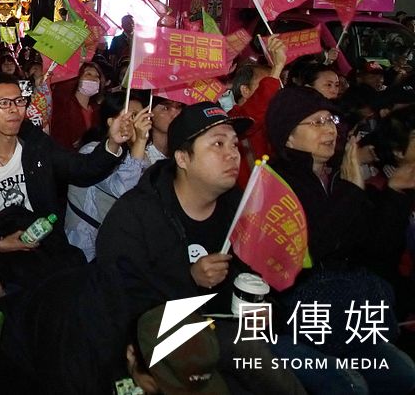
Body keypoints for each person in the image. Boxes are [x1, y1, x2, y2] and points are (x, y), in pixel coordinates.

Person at [95, 102, 303, 394]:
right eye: (217, 143)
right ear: (182, 158)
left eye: (234, 143)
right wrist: (187, 278)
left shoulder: (242, 210)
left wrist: (265, 309)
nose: (232, 153)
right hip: (166, 353)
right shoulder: (135, 216)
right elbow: (120, 304)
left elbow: (265, 277)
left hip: (237, 338)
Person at [264, 86, 415, 393]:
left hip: (348, 313)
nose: (329, 129)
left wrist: (395, 193)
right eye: (316, 122)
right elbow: (307, 252)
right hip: (299, 318)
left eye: (330, 119)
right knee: (351, 387)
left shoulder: (337, 175)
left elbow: (375, 250)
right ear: (288, 137)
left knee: (403, 373)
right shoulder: (273, 183)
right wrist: (351, 191)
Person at [0, 73, 129, 295]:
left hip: (40, 245)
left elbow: (82, 169)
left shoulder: (36, 145)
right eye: (3, 103)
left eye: (19, 101)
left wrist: (113, 142)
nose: (14, 109)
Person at [64, 93, 153, 261]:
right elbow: (124, 190)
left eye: (143, 116)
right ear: (111, 122)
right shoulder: (90, 152)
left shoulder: (141, 155)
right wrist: (140, 142)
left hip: (117, 240)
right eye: (133, 116)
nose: (140, 122)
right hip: (85, 244)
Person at [228, 34, 287, 186]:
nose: (274, 88)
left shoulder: (273, 118)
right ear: (245, 90)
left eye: (275, 83)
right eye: (265, 83)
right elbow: (251, 119)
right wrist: (277, 67)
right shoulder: (232, 119)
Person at [48, 62, 105, 150]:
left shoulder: (97, 110)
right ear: (77, 79)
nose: (93, 79)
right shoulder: (65, 106)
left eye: (97, 76)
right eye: (88, 74)